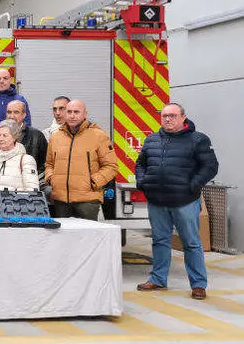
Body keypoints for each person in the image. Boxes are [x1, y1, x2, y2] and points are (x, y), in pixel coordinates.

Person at [135, 103, 219, 300]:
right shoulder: (152, 139)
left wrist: (194, 184)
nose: (167, 119)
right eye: (164, 116)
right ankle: (158, 279)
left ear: (183, 117)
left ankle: (198, 284)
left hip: (185, 201)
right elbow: (141, 164)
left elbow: (210, 166)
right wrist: (142, 181)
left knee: (191, 243)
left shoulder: (198, 140)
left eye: (172, 116)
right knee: (160, 241)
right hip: (157, 200)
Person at [44, 100, 117, 220]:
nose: (72, 115)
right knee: (63, 238)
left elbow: (111, 166)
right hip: (61, 201)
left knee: (87, 238)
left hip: (87, 201)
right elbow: (49, 163)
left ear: (85, 114)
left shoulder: (99, 136)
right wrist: (52, 180)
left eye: (76, 112)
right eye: (69, 112)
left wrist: (93, 182)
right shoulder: (56, 137)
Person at [0, 119, 39, 192]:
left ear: (14, 137)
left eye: (5, 136)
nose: (0, 139)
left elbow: (32, 191)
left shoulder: (26, 160)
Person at [4, 99, 47, 178]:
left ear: (24, 115)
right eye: (9, 112)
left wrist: (33, 180)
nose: (12, 116)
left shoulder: (37, 136)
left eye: (16, 112)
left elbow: (44, 165)